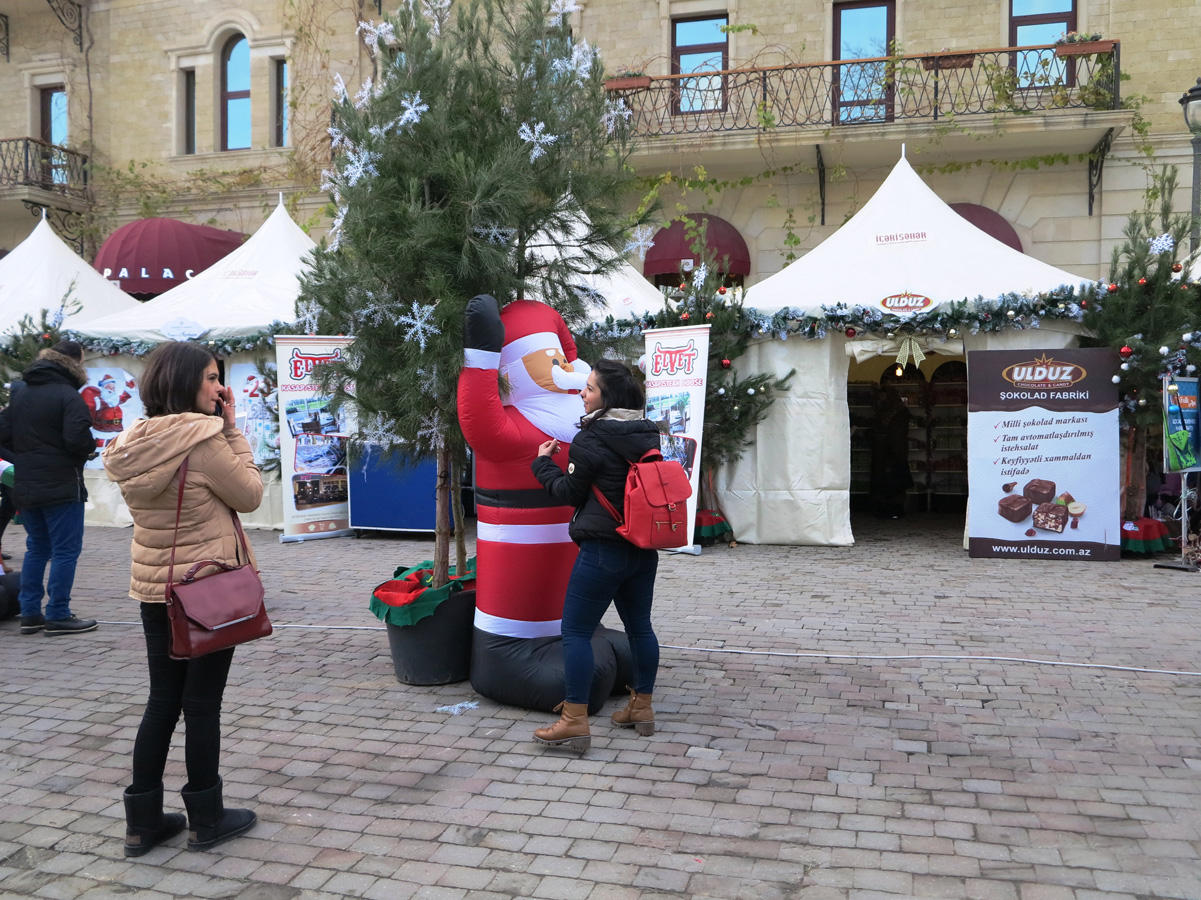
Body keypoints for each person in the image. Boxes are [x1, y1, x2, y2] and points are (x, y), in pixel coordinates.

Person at [102, 341, 263, 857]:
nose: (220, 388)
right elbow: (251, 496)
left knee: (162, 701)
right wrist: (234, 430)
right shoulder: (206, 440)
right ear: (186, 382)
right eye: (213, 378)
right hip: (206, 589)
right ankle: (207, 818)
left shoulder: (132, 443)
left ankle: (143, 823)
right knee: (201, 705)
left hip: (155, 591)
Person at [529, 358, 662, 753]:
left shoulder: (590, 438)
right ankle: (642, 706)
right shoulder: (647, 432)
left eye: (588, 388)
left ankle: (574, 720)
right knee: (640, 627)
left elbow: (569, 492)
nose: (582, 394)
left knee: (575, 632)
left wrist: (542, 464)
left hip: (603, 548)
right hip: (642, 547)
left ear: (607, 396)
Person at [0, 340, 97, 635]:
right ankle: (58, 613)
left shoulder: (22, 392)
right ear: (73, 362)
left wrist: (24, 459)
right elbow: (77, 439)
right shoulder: (69, 396)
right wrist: (88, 450)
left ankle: (30, 612)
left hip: (27, 484)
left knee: (37, 548)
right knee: (65, 551)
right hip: (61, 485)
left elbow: (3, 434)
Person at [869, 384, 913, 519]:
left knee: (892, 482)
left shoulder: (898, 412)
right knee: (887, 482)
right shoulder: (888, 410)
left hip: (892, 452)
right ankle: (887, 510)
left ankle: (893, 510)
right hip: (886, 452)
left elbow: (896, 432)